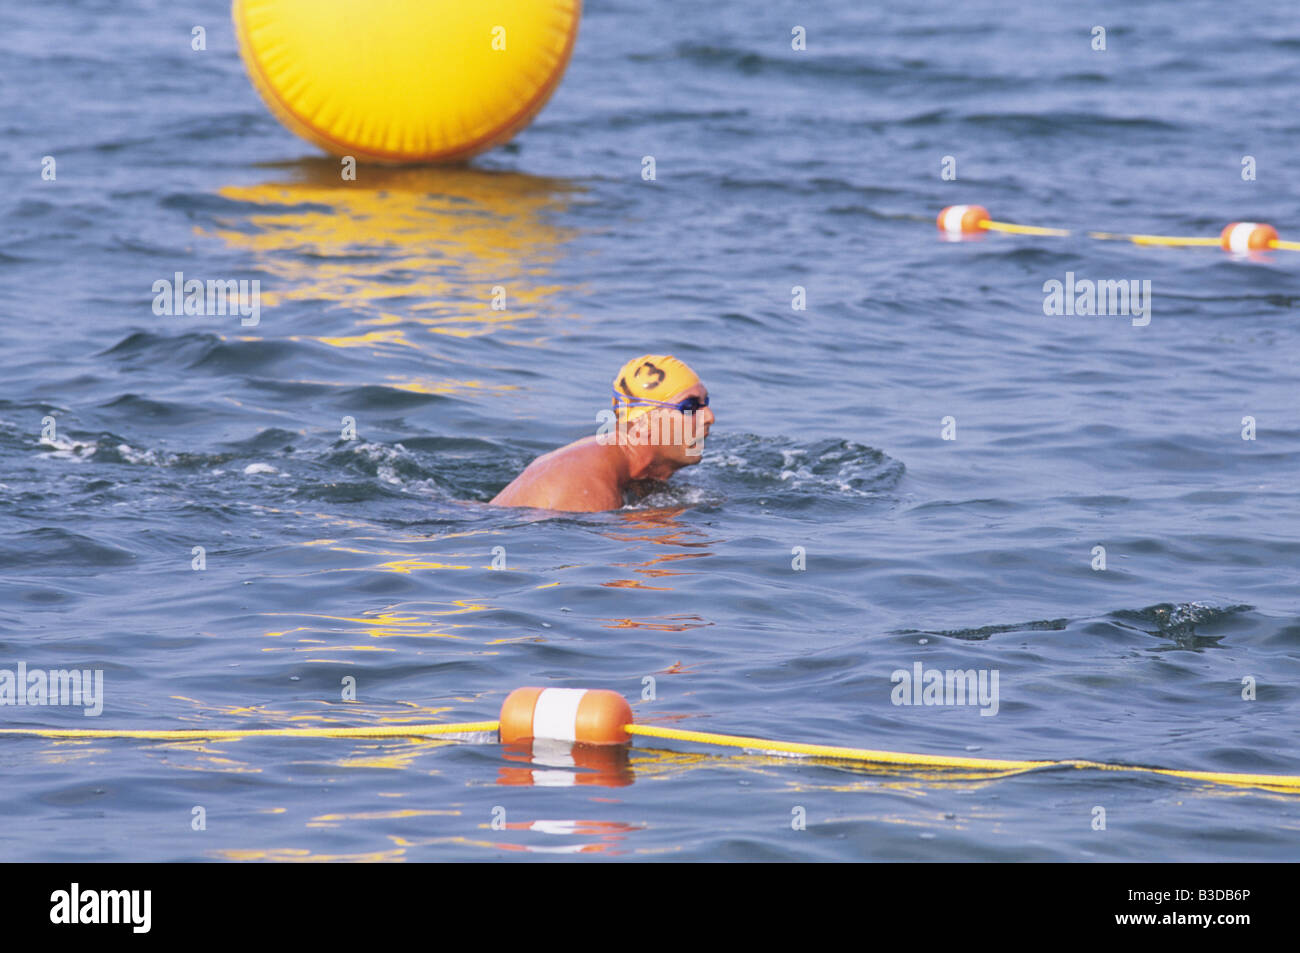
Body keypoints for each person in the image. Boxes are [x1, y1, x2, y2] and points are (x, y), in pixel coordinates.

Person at [490, 354, 714, 512]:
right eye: (690, 407)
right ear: (643, 421)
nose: (709, 417)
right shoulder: (585, 483)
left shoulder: (638, 470)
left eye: (706, 403)